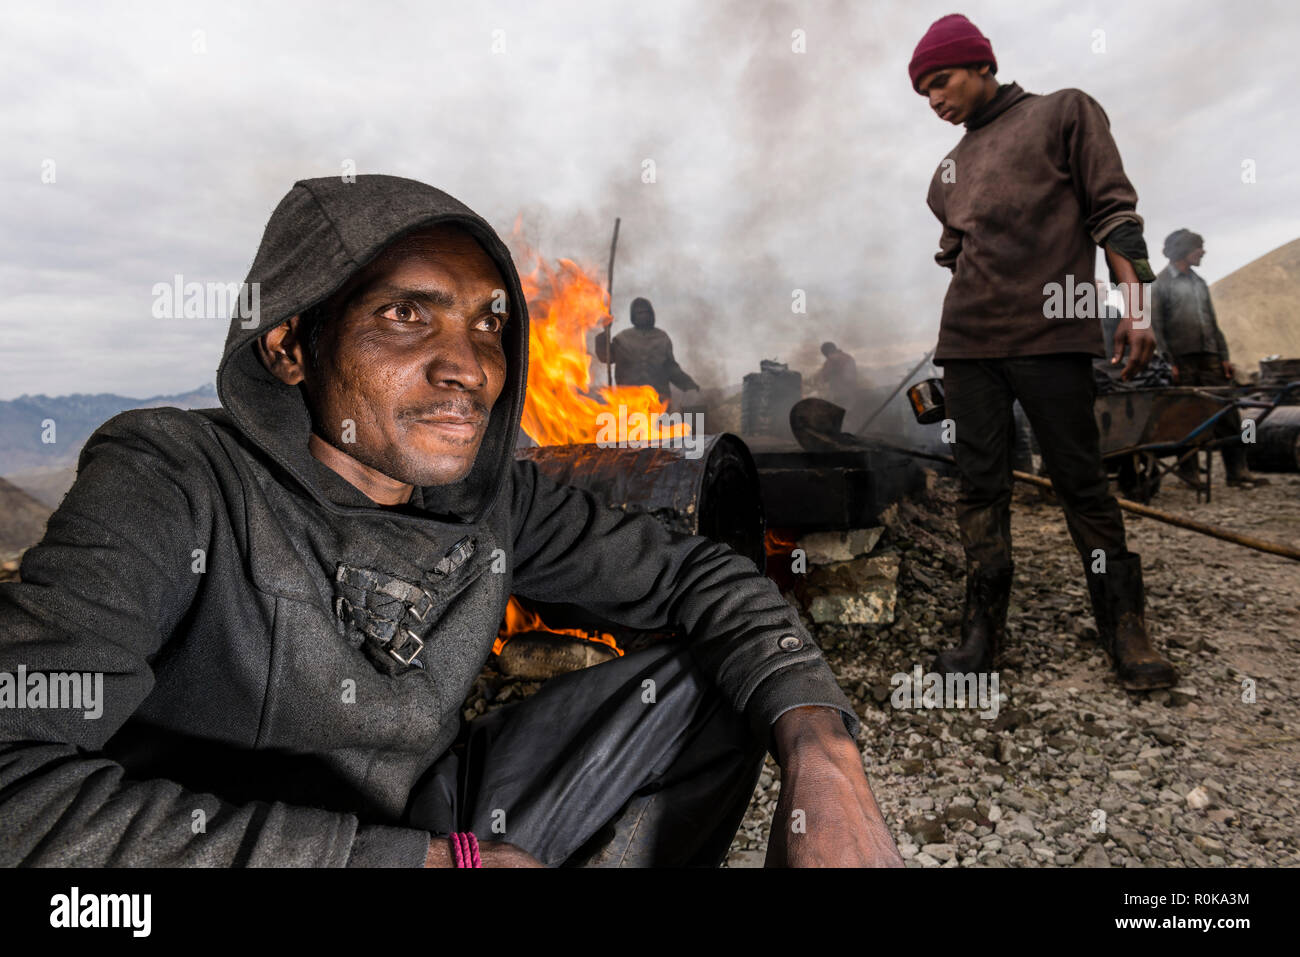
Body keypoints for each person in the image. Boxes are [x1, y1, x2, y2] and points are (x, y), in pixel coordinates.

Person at [0, 175, 902, 868]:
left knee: (718, 679)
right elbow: (16, 785)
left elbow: (702, 575)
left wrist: (823, 747)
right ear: (288, 345)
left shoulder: (490, 498)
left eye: (488, 324)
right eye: (405, 315)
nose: (469, 365)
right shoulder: (173, 476)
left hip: (432, 820)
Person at [910, 15, 1177, 690]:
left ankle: (1125, 626)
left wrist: (1137, 304)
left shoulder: (1065, 113)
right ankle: (982, 630)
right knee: (979, 487)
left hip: (1054, 336)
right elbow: (959, 257)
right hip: (968, 348)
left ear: (981, 66)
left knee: (1080, 484)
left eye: (941, 81)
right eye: (923, 94)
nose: (935, 100)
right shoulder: (947, 172)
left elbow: (1116, 215)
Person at [1152, 229, 1267, 487]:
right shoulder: (1161, 285)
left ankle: (1238, 470)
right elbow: (1157, 328)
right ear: (1183, 251)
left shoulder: (1199, 283)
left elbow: (1213, 324)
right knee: (1187, 416)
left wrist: (1224, 356)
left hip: (1211, 359)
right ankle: (1189, 473)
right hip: (1182, 361)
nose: (1203, 252)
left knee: (1229, 413)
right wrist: (1168, 363)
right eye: (1198, 248)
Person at [594, 297, 700, 403]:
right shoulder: (622, 338)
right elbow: (605, 357)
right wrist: (605, 334)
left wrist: (688, 385)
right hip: (629, 399)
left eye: (646, 312)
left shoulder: (661, 338)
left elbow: (671, 368)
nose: (643, 315)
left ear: (651, 315)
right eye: (639, 313)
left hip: (658, 399)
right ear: (633, 316)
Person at [814, 341, 860, 411]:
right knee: (850, 414)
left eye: (825, 354)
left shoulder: (832, 360)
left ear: (826, 353)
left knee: (841, 415)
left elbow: (825, 377)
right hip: (851, 393)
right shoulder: (848, 357)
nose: (826, 357)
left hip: (840, 395)